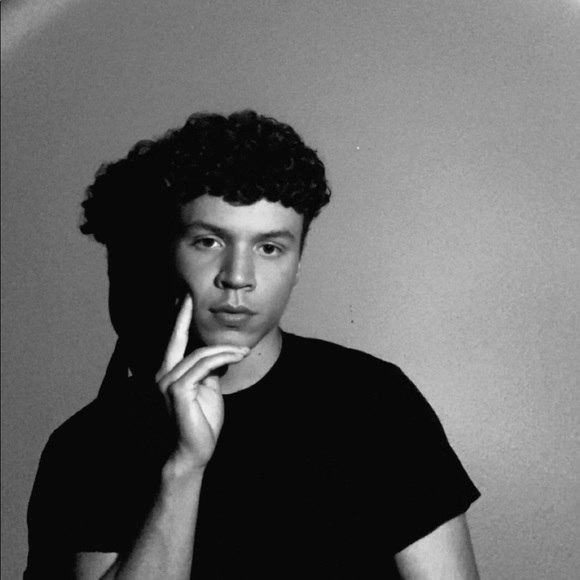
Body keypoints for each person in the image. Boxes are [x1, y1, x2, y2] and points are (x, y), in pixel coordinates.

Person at [25, 110, 481, 579]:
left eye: (269, 248)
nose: (238, 277)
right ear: (169, 252)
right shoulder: (91, 444)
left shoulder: (375, 401)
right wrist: (184, 468)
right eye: (209, 241)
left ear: (297, 264)